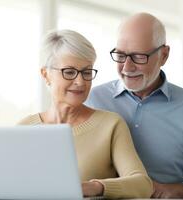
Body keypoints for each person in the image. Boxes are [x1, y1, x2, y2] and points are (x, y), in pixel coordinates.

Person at [85, 13, 183, 199]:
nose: (127, 67)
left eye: (138, 56)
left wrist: (165, 191)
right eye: (120, 55)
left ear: (164, 55)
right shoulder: (93, 99)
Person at [18, 29, 152, 199]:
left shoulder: (110, 125)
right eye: (69, 72)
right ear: (46, 75)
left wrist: (95, 187)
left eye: (87, 72)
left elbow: (142, 184)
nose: (80, 81)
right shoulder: (24, 128)